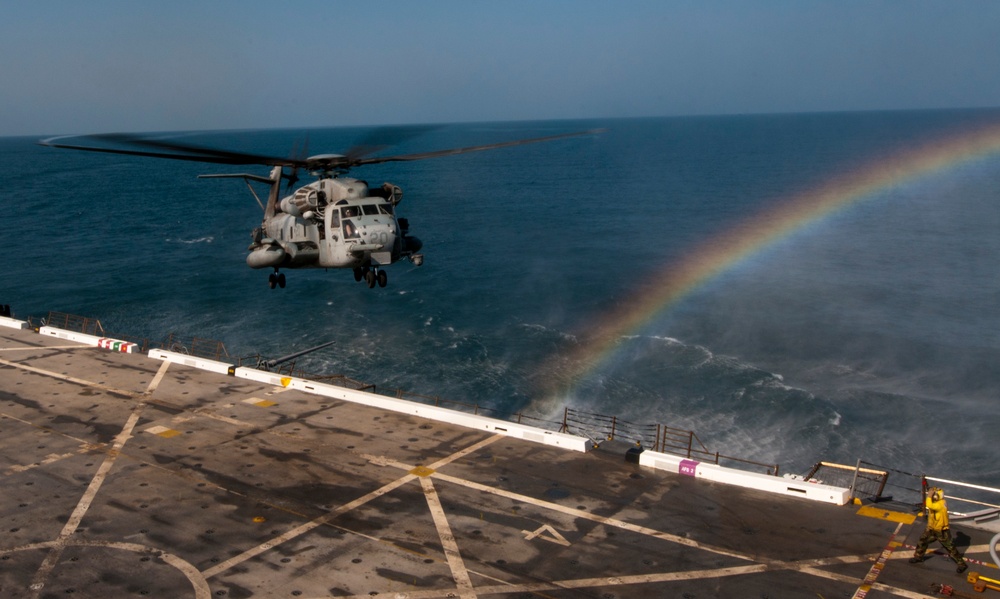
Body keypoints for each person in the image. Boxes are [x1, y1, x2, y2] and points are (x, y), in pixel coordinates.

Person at [909, 486, 968, 573]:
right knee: (922, 541)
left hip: (941, 530)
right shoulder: (939, 502)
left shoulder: (940, 504)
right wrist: (931, 490)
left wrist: (929, 495)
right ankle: (918, 556)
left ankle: (962, 564)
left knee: (950, 548)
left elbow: (929, 505)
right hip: (931, 528)